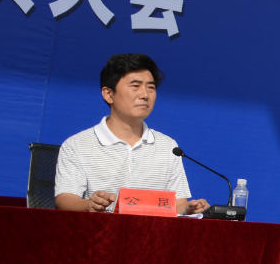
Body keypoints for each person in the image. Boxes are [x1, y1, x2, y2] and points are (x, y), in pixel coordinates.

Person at [54, 53, 210, 216]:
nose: (144, 95)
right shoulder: (77, 145)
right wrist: (89, 204)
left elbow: (177, 203)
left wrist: (188, 208)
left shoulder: (168, 147)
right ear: (108, 94)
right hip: (100, 234)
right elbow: (65, 198)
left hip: (153, 236)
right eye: (135, 86)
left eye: (151, 87)